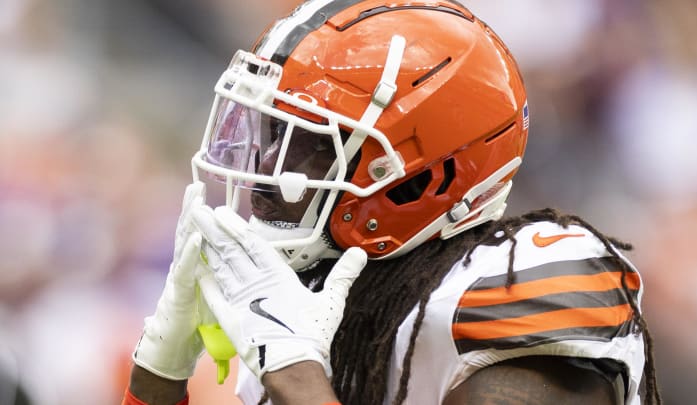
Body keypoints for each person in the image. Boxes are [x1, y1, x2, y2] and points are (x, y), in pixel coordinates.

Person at [124, 1, 662, 404]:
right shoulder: (308, 299)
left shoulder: (515, 284)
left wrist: (296, 376)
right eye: (269, 133)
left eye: (311, 146)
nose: (264, 171)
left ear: (421, 180)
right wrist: (159, 372)